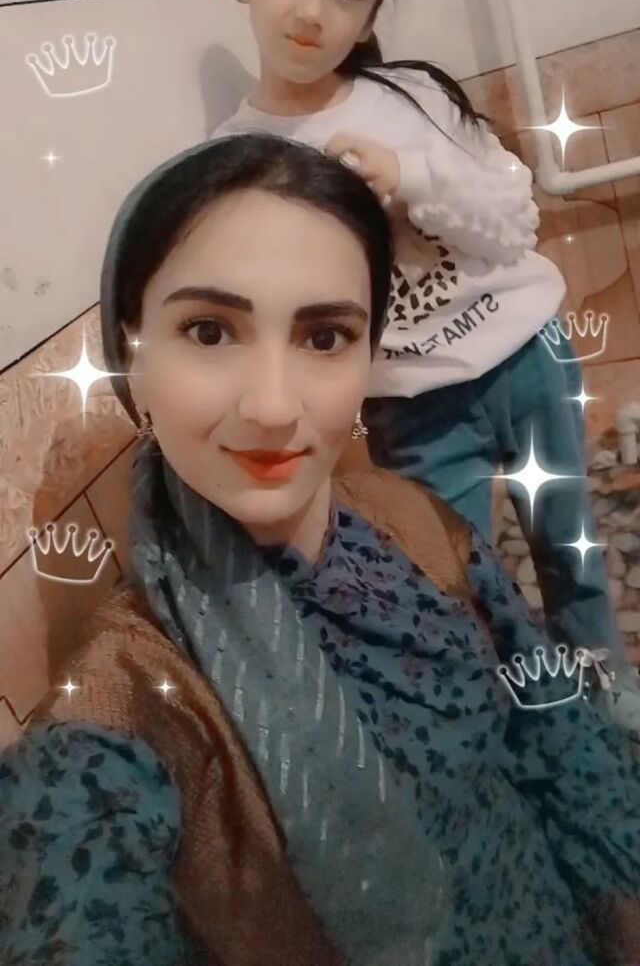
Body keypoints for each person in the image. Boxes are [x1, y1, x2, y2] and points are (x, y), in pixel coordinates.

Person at [1, 134, 640, 966]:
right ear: (135, 357)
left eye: (326, 337)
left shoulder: (413, 521)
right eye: (209, 330)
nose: (272, 406)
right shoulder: (122, 713)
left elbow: (555, 725)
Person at [209, 0, 626, 673]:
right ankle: (509, 709)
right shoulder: (235, 164)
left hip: (530, 361)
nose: (312, 10)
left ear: (371, 11)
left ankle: (606, 687)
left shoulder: (414, 97)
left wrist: (411, 178)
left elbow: (513, 222)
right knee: (453, 581)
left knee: (569, 548)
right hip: (414, 408)